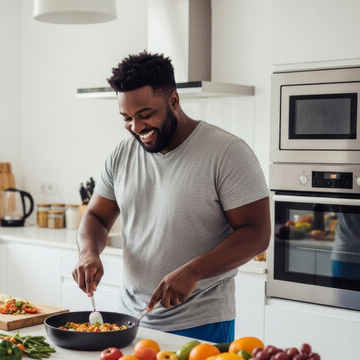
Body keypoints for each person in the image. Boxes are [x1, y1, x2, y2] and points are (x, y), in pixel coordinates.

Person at [72, 51, 271, 343]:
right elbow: (97, 216)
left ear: (173, 101)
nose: (136, 128)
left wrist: (194, 270)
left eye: (145, 115)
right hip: (130, 320)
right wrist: (88, 251)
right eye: (126, 118)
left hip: (201, 323)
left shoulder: (227, 153)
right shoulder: (122, 154)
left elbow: (256, 234)